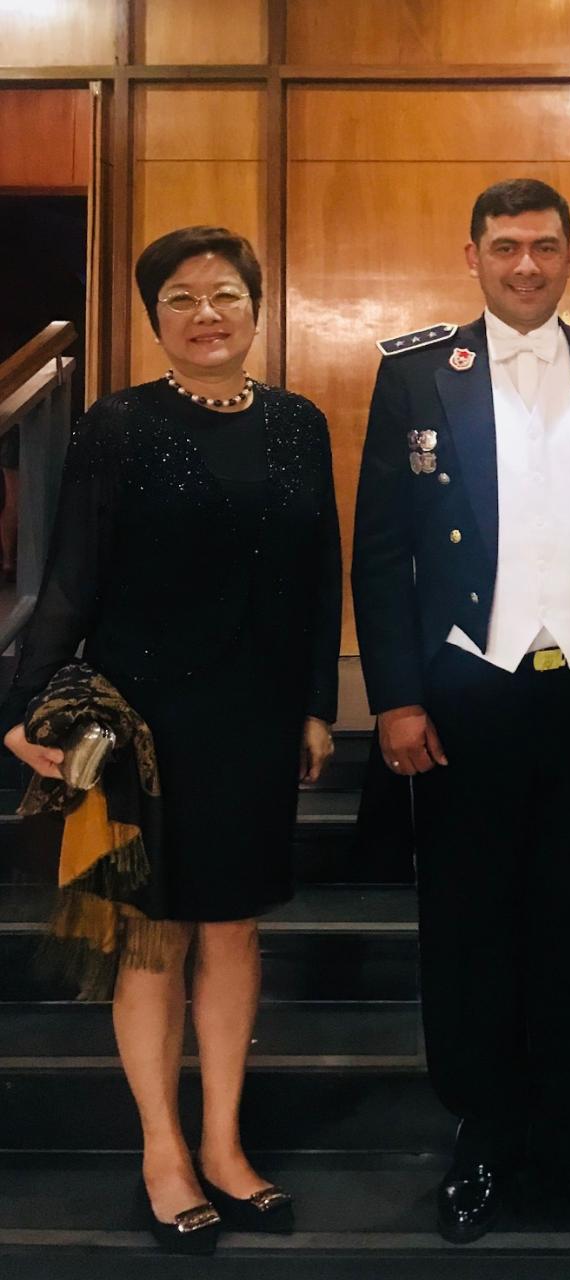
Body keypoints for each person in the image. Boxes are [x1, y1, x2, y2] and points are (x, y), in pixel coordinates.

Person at [0, 225, 342, 1253]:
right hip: (142, 718)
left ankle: (227, 1141)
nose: (207, 314)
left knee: (233, 925)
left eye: (225, 294)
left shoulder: (298, 423)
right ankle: (162, 1148)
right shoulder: (117, 425)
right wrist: (16, 705)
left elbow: (316, 576)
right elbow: (70, 573)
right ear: (155, 317)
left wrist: (315, 701)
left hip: (253, 714)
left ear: (255, 305)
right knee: (150, 936)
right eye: (183, 298)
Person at [352, 178, 570, 1244]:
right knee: (469, 928)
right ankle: (482, 1135)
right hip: (463, 694)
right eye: (503, 247)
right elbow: (382, 549)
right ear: (472, 254)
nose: (524, 265)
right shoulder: (411, 377)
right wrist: (393, 693)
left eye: (542, 246)